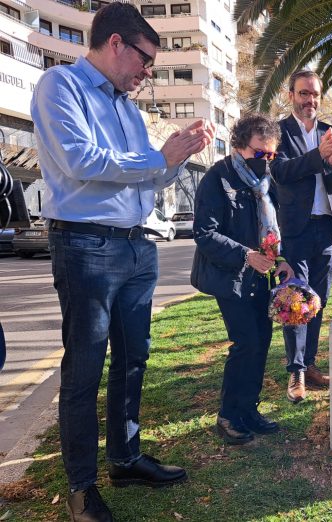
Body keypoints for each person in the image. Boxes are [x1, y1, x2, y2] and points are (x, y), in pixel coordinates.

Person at [30, 3, 214, 521]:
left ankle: (126, 458)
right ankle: (82, 488)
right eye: (146, 60)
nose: (147, 73)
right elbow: (81, 160)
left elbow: (145, 179)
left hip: (138, 246)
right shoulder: (59, 86)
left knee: (133, 360)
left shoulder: (129, 108)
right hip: (86, 246)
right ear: (115, 43)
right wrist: (160, 157)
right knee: (85, 368)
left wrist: (172, 158)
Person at [191, 113, 294, 445]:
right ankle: (228, 416)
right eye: (259, 154)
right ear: (238, 146)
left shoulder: (265, 184)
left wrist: (281, 259)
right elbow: (204, 234)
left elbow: (272, 229)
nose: (266, 161)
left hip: (261, 277)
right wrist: (246, 255)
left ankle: (249, 410)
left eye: (271, 155)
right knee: (245, 343)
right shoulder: (217, 179)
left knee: (261, 343)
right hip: (231, 277)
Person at [271, 70, 332, 403]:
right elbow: (280, 172)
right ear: (291, 94)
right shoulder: (279, 133)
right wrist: (317, 157)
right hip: (295, 231)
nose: (310, 100)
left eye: (315, 94)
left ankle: (309, 365)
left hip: (325, 230)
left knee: (318, 300)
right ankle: (294, 371)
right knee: (296, 300)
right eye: (303, 93)